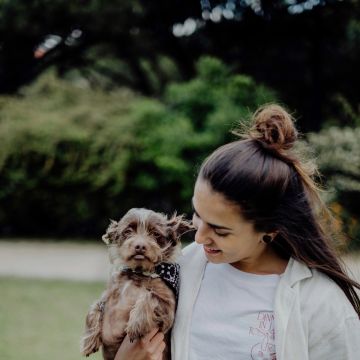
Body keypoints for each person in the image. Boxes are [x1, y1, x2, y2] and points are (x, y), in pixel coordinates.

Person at [115, 104, 360, 360]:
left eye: (220, 231)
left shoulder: (322, 306)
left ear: (270, 229)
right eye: (198, 215)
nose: (198, 238)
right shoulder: (181, 269)